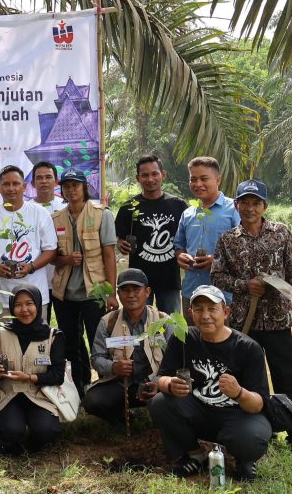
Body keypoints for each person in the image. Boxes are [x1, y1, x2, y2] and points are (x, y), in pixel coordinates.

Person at [212, 179, 292, 460]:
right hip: (244, 324)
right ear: (236, 205)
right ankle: (261, 432)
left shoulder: (281, 233)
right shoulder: (228, 240)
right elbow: (217, 276)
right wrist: (246, 286)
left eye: (256, 203)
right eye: (244, 202)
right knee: (251, 382)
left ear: (264, 206)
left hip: (278, 321)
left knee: (287, 380)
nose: (250, 208)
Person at [149, 285, 271, 482]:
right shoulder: (183, 337)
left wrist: (239, 393)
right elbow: (161, 378)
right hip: (199, 411)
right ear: (190, 313)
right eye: (199, 309)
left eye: (212, 309)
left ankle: (244, 459)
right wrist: (171, 384)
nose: (205, 315)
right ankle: (196, 454)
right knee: (160, 403)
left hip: (236, 415)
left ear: (226, 312)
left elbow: (258, 404)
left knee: (253, 437)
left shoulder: (249, 348)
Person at [50, 169, 118, 394]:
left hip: (94, 291)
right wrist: (66, 259)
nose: (71, 190)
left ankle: (106, 389)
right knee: (70, 343)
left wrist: (111, 293)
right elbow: (53, 257)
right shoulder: (56, 218)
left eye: (75, 185)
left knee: (98, 342)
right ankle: (78, 388)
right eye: (66, 186)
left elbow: (109, 255)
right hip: (64, 293)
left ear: (84, 187)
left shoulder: (101, 214)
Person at [84, 269, 171, 424]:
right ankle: (124, 419)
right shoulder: (108, 322)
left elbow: (174, 359)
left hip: (154, 382)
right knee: (92, 401)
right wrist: (113, 367)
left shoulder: (163, 321)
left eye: (136, 289)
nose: (131, 295)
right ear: (118, 293)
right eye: (125, 290)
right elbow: (97, 358)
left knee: (172, 397)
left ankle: (160, 421)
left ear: (147, 292)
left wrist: (159, 382)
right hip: (121, 384)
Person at [0, 285, 65, 454]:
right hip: (9, 395)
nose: (24, 310)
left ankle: (35, 442)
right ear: (12, 307)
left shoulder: (53, 336)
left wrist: (30, 377)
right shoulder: (1, 334)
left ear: (38, 304)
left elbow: (58, 376)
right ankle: (13, 441)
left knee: (45, 430)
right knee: (10, 430)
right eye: (18, 305)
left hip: (39, 395)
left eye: (29, 303)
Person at [0, 165, 56, 321]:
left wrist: (31, 266)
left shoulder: (39, 213)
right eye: (6, 184)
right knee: (5, 342)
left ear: (24, 186)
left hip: (36, 295)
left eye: (16, 184)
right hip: (2, 297)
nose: (11, 188)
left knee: (37, 341)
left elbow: (50, 250)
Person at [113, 154, 188, 314]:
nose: (150, 179)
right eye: (145, 175)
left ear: (163, 174)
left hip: (170, 279)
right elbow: (119, 238)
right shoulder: (129, 207)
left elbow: (187, 239)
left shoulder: (178, 205)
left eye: (155, 173)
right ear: (137, 178)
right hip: (139, 280)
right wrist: (121, 244)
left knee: (171, 326)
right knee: (139, 323)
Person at [174, 156, 240, 315]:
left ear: (218, 179)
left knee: (227, 338)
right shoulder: (188, 213)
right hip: (191, 293)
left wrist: (217, 262)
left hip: (224, 296)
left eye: (204, 179)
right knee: (193, 338)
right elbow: (179, 245)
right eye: (193, 179)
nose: (198, 184)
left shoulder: (234, 209)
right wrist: (180, 256)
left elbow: (245, 250)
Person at [31, 161, 66, 325]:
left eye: (48, 177)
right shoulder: (26, 209)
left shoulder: (66, 206)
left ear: (56, 181)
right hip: (36, 280)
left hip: (63, 280)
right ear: (32, 183)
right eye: (39, 178)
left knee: (69, 328)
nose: (44, 181)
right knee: (39, 326)